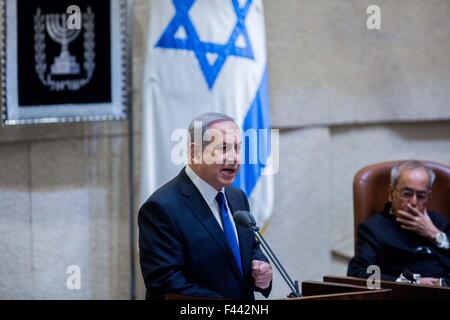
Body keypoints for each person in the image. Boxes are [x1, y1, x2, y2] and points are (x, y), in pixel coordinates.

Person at [138, 112, 273, 300]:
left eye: (237, 148)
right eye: (224, 148)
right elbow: (166, 282)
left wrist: (262, 271)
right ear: (194, 152)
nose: (234, 158)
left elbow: (250, 251)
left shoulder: (237, 197)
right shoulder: (161, 208)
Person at [348, 160, 450, 286]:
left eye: (421, 195)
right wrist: (413, 282)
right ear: (391, 193)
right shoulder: (374, 229)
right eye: (407, 194)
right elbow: (358, 273)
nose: (413, 202)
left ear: (429, 196)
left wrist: (435, 235)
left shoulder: (440, 224)